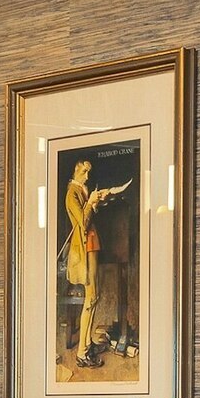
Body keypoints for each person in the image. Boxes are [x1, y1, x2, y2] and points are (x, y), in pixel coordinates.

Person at [59, 156, 135, 366]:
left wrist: (97, 200)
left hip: (92, 245)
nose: (87, 176)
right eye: (84, 172)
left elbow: (89, 216)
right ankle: (82, 354)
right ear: (76, 172)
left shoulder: (81, 190)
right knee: (91, 298)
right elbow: (83, 224)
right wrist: (91, 202)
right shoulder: (71, 193)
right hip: (84, 248)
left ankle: (86, 343)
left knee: (94, 297)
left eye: (88, 173)